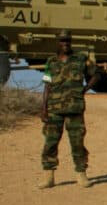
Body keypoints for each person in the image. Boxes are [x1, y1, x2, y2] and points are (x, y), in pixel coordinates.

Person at [38, 29, 101, 189]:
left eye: (67, 41)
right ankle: (48, 175)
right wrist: (44, 108)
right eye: (62, 41)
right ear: (57, 43)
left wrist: (85, 88)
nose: (65, 44)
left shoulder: (80, 59)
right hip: (54, 109)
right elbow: (47, 85)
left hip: (75, 108)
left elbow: (97, 74)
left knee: (77, 142)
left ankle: (81, 174)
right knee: (50, 142)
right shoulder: (51, 62)